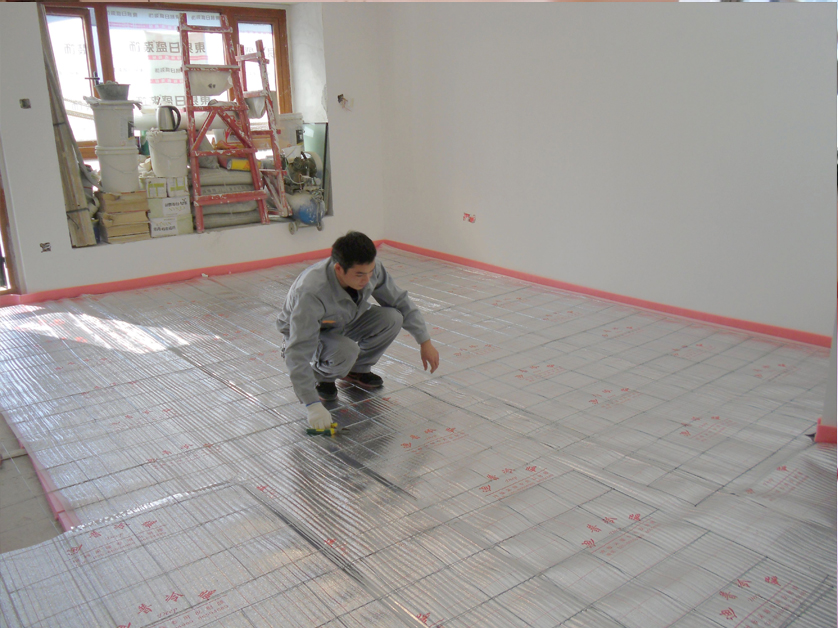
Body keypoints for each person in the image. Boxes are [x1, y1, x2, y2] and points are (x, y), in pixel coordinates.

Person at [277, 231, 440, 430]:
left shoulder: (369, 269)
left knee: (392, 318)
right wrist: (312, 404)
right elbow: (298, 350)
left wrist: (425, 341)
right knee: (346, 350)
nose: (367, 279)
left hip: (343, 319)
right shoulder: (311, 292)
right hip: (310, 331)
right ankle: (322, 378)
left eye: (370, 272)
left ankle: (356, 371)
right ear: (339, 268)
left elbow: (400, 301)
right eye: (360, 275)